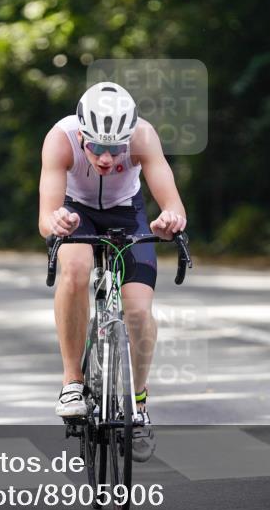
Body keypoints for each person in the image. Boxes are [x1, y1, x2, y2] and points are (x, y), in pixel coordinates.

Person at [38, 82, 187, 462]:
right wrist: (57, 221)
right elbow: (45, 219)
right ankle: (72, 382)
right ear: (82, 136)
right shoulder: (61, 138)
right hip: (76, 211)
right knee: (75, 268)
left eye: (116, 148)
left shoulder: (143, 136)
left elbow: (173, 206)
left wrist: (170, 219)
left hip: (126, 211)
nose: (106, 157)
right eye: (97, 147)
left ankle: (137, 403)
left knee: (137, 310)